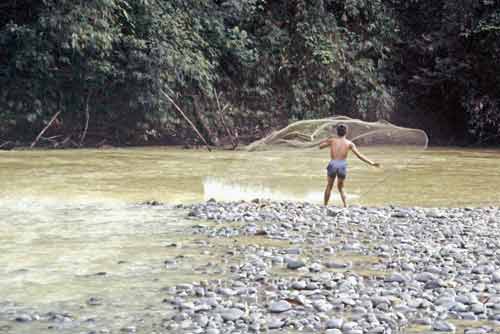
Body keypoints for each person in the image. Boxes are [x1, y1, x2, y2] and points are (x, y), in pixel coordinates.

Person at [319, 124, 380, 207]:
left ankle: (325, 205)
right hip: (342, 165)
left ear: (337, 132)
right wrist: (372, 163)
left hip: (333, 164)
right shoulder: (349, 143)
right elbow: (359, 156)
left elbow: (320, 147)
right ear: (346, 133)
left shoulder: (332, 141)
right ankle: (345, 205)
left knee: (329, 186)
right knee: (341, 188)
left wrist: (327, 140)